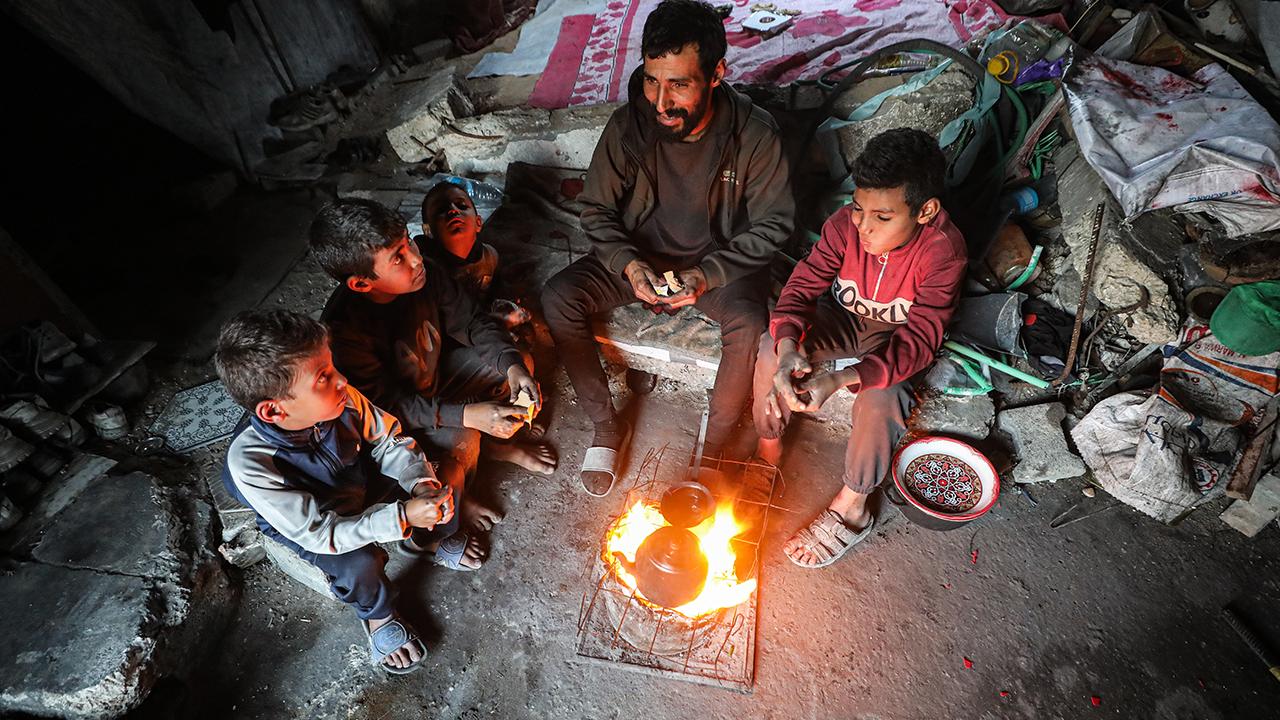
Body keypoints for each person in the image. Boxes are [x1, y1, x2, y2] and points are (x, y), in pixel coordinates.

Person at [541, 0, 794, 496]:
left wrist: (709, 274)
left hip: (715, 267)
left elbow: (774, 224)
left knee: (749, 324)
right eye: (652, 80)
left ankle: (715, 446)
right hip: (640, 259)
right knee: (557, 296)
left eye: (679, 83)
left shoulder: (755, 134)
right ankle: (605, 424)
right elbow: (595, 208)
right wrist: (628, 264)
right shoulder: (630, 124)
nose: (660, 101)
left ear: (717, 73)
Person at [752, 128, 968, 568]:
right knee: (769, 350)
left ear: (925, 211)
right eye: (857, 208)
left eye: (882, 218)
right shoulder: (843, 227)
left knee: (882, 396)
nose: (864, 228)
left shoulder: (943, 251)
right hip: (843, 319)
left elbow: (921, 341)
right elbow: (802, 287)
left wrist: (841, 377)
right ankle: (768, 450)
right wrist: (790, 344)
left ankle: (853, 506)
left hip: (896, 337)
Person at [217, 309, 471, 675]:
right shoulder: (251, 464)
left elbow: (387, 439)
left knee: (444, 471)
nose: (342, 380)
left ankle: (425, 541)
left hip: (357, 481)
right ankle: (378, 617)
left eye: (332, 367)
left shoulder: (340, 398)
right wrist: (401, 516)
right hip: (313, 522)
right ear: (274, 410)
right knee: (357, 563)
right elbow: (322, 533)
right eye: (324, 377)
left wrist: (420, 483)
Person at [310, 198, 557, 527]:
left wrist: (513, 367)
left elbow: (472, 323)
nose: (415, 258)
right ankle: (459, 502)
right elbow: (388, 408)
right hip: (402, 424)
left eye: (407, 241)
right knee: (461, 440)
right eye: (398, 257)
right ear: (361, 283)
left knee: (514, 361)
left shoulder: (425, 272)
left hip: (437, 381)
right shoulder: (344, 334)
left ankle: (496, 446)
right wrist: (467, 415)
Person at [419, 179, 532, 330]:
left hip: (483, 322)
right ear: (428, 231)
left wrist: (509, 309)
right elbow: (447, 323)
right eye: (441, 210)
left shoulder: (490, 257)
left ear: (478, 223)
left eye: (462, 206)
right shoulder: (429, 274)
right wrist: (498, 320)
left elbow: (497, 294)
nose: (453, 210)